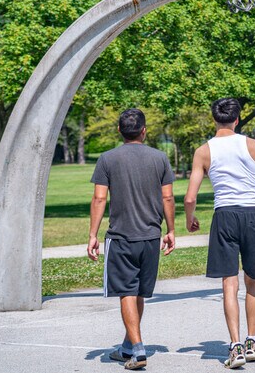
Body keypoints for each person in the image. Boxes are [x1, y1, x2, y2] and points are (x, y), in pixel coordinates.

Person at [184, 98, 255, 369]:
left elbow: (189, 198)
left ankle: (235, 348)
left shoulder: (203, 151)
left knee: (229, 284)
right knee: (253, 280)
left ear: (214, 119)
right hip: (253, 213)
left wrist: (190, 218)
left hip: (225, 215)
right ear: (237, 119)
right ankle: (252, 342)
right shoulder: (252, 145)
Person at [87, 108, 176, 370]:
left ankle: (137, 350)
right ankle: (128, 347)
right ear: (144, 130)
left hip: (121, 237)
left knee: (127, 292)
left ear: (119, 131)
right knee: (137, 293)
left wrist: (93, 234)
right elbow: (168, 197)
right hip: (151, 236)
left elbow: (100, 198)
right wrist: (171, 230)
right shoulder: (160, 158)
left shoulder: (107, 159)